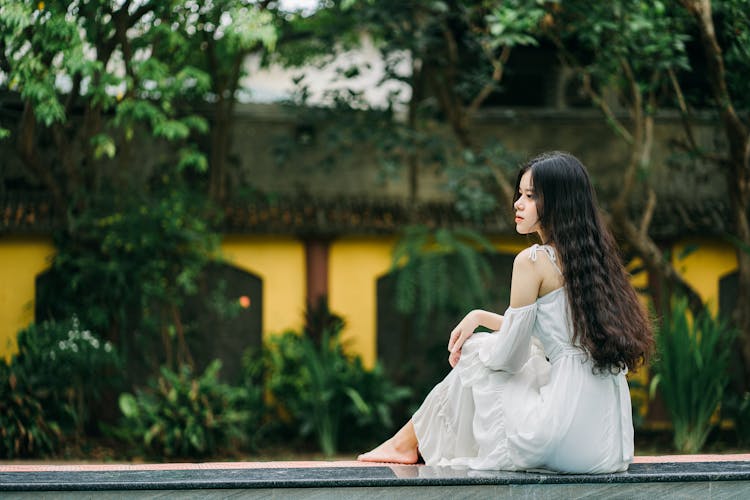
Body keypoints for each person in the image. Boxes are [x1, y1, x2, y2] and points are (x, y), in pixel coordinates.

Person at [357, 151, 654, 473]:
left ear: (558, 203)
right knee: (490, 349)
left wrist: (472, 349)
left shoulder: (533, 261)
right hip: (606, 448)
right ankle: (405, 442)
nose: (517, 203)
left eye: (530, 196)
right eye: (520, 194)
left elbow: (509, 356)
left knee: (479, 353)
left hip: (558, 436)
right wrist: (480, 317)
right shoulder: (596, 262)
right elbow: (547, 335)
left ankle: (404, 443)